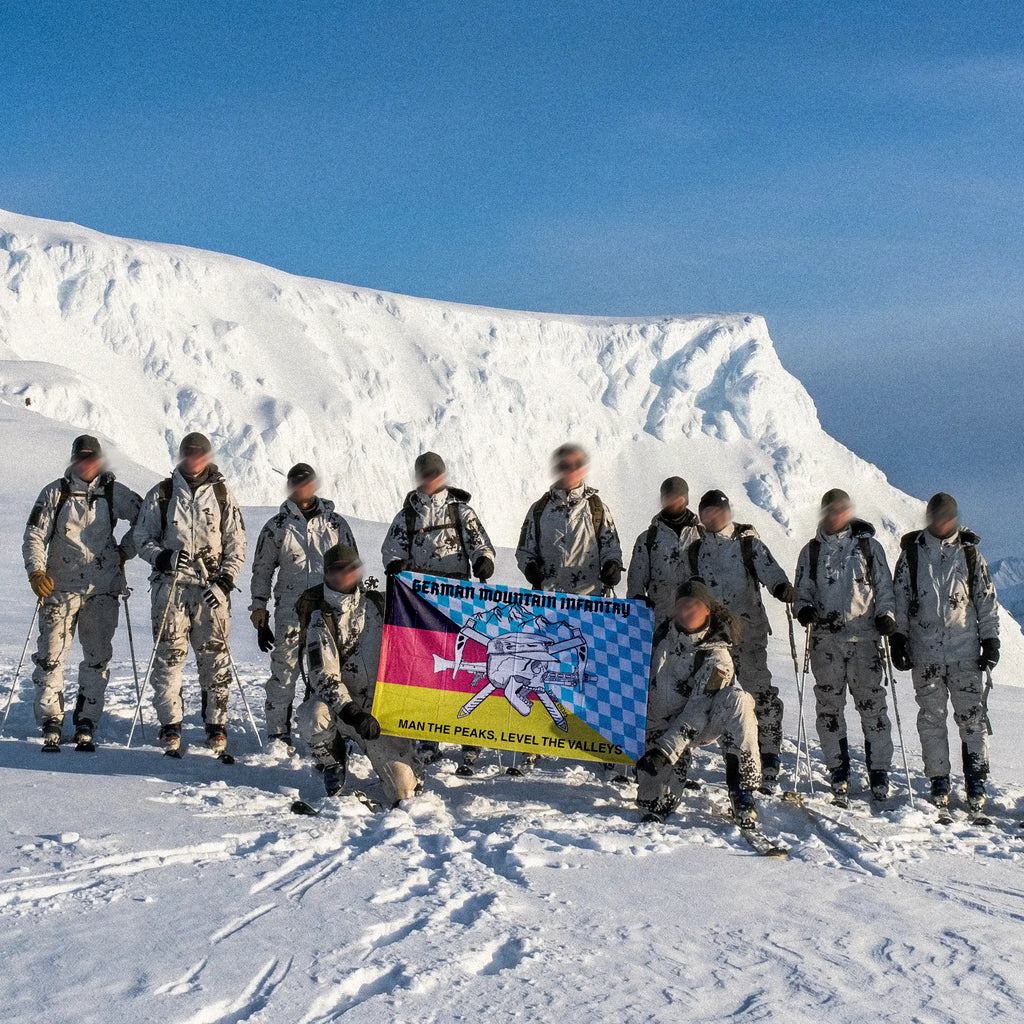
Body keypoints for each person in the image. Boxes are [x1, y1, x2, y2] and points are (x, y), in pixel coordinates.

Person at [22, 435, 142, 750]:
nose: (87, 463)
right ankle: (51, 720)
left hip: (102, 588)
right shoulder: (55, 493)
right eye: (82, 457)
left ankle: (87, 719)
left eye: (92, 457)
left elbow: (146, 520)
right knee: (50, 656)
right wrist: (36, 571)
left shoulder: (115, 492)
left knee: (97, 658)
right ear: (74, 459)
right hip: (60, 586)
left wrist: (123, 552)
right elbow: (35, 533)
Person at [381, 451, 495, 775]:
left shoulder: (461, 512)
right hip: (421, 604)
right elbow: (392, 549)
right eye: (426, 475)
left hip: (458, 603)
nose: (431, 480)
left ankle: (470, 743)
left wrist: (483, 560)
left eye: (436, 474)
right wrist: (395, 565)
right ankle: (428, 740)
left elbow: (480, 543)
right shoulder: (407, 516)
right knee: (427, 672)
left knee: (466, 669)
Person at [513, 443, 624, 775]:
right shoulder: (539, 509)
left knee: (595, 675)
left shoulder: (597, 509)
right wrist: (530, 568)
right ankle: (532, 745)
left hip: (591, 607)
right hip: (549, 606)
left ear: (583, 469)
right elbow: (524, 550)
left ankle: (604, 746)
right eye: (563, 463)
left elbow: (612, 547)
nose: (569, 469)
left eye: (575, 464)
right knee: (537, 674)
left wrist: (613, 568)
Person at [134, 433, 247, 755]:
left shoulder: (223, 494)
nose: (194, 459)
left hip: (212, 591)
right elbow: (142, 535)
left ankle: (216, 724)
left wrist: (225, 581)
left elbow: (236, 543)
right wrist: (161, 556)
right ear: (181, 455)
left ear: (208, 456)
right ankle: (170, 724)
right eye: (189, 453)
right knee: (169, 659)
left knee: (215, 659)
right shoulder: (163, 493)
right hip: (171, 588)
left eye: (200, 454)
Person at [892, 493, 1000, 813]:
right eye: (936, 517)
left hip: (964, 651)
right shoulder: (912, 556)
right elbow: (900, 600)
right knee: (932, 719)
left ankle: (976, 780)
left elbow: (985, 600)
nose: (941, 523)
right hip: (925, 653)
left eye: (947, 517)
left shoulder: (969, 555)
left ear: (954, 518)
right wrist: (898, 639)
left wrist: (990, 640)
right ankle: (939, 778)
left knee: (973, 719)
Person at [687, 489, 796, 792]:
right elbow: (691, 589)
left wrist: (781, 587)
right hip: (715, 638)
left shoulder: (748, 544)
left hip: (749, 632)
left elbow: (770, 572)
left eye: (718, 511)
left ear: (728, 512)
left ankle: (770, 756)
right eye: (707, 513)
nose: (714, 518)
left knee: (759, 692)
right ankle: (737, 759)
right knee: (722, 697)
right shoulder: (696, 552)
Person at [295, 544, 420, 805]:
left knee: (403, 791)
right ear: (327, 574)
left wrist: (407, 580)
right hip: (343, 711)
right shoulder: (321, 619)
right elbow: (323, 676)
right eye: (337, 570)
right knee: (312, 716)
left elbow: (415, 620)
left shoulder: (376, 604)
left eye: (350, 569)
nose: (344, 575)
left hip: (378, 712)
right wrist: (352, 713)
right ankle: (332, 758)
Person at [793, 489, 896, 802]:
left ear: (848, 512)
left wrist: (886, 616)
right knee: (828, 708)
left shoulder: (868, 547)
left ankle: (878, 771)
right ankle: (838, 769)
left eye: (841, 509)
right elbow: (802, 591)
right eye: (830, 510)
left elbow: (884, 588)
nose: (835, 515)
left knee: (872, 707)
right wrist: (804, 609)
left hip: (864, 638)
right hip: (825, 641)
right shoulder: (811, 552)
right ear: (823, 513)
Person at [635, 578, 761, 827]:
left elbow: (698, 710)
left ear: (707, 609)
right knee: (654, 803)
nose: (687, 611)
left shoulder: (717, 657)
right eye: (681, 604)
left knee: (739, 700)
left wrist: (664, 752)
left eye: (694, 604)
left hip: (697, 725)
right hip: (657, 723)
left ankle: (742, 791)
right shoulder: (659, 637)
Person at [249, 463, 357, 749]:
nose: (302, 488)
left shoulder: (335, 525)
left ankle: (328, 733)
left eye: (306, 482)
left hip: (329, 610)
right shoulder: (277, 527)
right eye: (296, 483)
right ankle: (278, 735)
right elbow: (262, 569)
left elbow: (351, 566)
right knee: (284, 672)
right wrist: (258, 608)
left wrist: (353, 607)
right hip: (291, 611)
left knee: (328, 672)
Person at [627, 476, 701, 624]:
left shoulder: (702, 536)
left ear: (685, 499)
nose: (673, 502)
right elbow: (635, 581)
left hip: (697, 622)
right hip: (660, 621)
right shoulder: (647, 539)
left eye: (677, 498)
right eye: (668, 497)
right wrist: (638, 610)